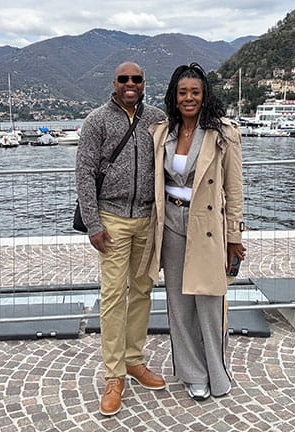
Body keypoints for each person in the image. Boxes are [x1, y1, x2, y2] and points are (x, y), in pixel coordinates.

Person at [139, 62, 246, 401]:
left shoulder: (224, 133)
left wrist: (235, 238)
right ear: (174, 95)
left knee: (210, 302)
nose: (189, 98)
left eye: (195, 92)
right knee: (179, 304)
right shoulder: (161, 131)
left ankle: (217, 372)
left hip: (207, 223)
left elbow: (235, 188)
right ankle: (193, 374)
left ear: (204, 96)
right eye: (182, 92)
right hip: (170, 221)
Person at [75, 61, 167, 417]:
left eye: (137, 79)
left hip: (147, 218)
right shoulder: (97, 120)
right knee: (113, 295)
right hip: (111, 219)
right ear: (114, 83)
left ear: (144, 83)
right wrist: (94, 224)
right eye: (124, 79)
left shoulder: (157, 119)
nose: (130, 84)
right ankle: (113, 374)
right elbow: (83, 174)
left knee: (143, 290)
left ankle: (134, 360)